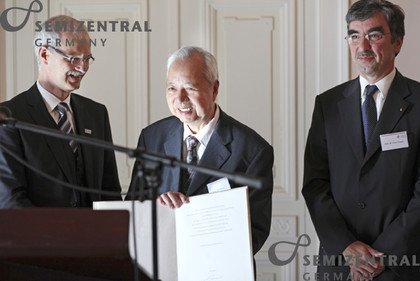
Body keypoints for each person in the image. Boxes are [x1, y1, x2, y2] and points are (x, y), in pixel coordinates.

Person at [302, 0, 420, 280]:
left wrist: (382, 254)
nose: (362, 46)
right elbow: (315, 183)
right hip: (341, 264)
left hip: (401, 263)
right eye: (354, 35)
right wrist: (347, 247)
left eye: (374, 35)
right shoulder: (328, 104)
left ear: (398, 43)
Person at [127, 46, 274, 255]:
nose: (180, 98)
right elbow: (134, 208)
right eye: (172, 88)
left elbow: (256, 231)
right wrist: (158, 209)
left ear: (214, 89)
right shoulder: (152, 138)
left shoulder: (253, 150)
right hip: (162, 266)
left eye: (190, 88)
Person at [0, 15, 121, 208]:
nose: (83, 68)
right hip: (40, 237)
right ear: (44, 54)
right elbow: (11, 199)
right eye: (73, 58)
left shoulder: (96, 113)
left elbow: (110, 192)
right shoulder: (9, 117)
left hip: (95, 236)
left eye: (87, 58)